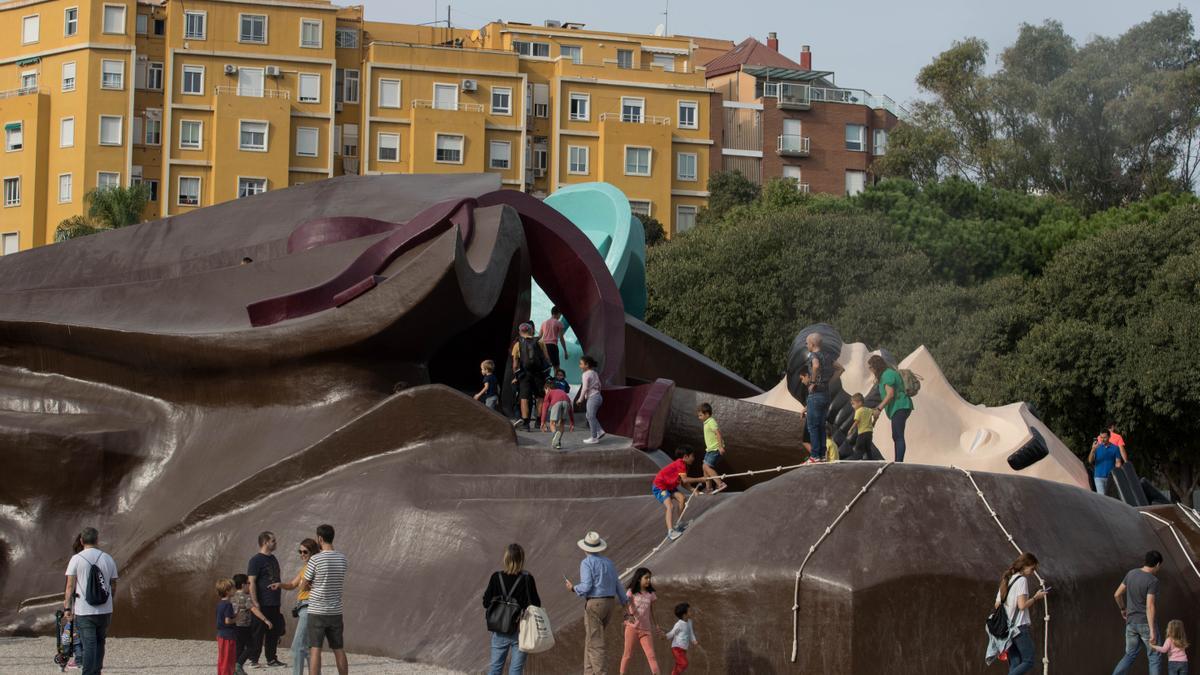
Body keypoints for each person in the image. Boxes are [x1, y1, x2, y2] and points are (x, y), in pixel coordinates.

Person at [565, 531, 627, 675]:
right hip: (610, 603)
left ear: (585, 548)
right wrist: (625, 601)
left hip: (595, 603)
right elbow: (617, 584)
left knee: (595, 644)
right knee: (591, 642)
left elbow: (586, 586)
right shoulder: (609, 562)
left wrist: (573, 588)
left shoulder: (586, 562)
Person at [63, 527, 118, 675]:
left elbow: (69, 586)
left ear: (81, 541)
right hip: (105, 610)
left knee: (89, 645)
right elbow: (113, 584)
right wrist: (108, 600)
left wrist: (67, 608)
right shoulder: (108, 558)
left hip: (84, 610)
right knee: (100, 642)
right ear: (97, 540)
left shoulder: (76, 559)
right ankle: (97, 672)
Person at [482, 543, 541, 675]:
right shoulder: (527, 579)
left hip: (499, 629)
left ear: (506, 558)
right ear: (522, 559)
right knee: (516, 670)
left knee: (495, 669)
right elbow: (536, 605)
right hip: (521, 629)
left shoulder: (496, 577)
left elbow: (486, 603)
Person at [302, 524, 349, 675]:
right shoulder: (342, 558)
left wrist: (311, 585)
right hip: (335, 610)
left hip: (317, 610)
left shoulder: (315, 559)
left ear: (320, 538)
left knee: (315, 649)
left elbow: (304, 585)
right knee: (339, 649)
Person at [1113, 550, 1165, 675]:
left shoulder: (1131, 573)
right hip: (1145, 624)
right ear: (1157, 564)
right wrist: (1152, 631)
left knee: (1130, 654)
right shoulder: (1153, 580)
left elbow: (1117, 594)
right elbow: (1150, 606)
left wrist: (1123, 609)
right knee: (1154, 657)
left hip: (1131, 624)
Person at [995, 552, 1047, 675]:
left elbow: (997, 604)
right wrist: (1036, 597)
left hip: (1006, 629)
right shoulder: (1022, 580)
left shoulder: (1007, 579)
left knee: (1016, 662)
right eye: (1032, 568)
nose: (1033, 572)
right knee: (1029, 660)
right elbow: (1022, 605)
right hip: (1018, 627)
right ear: (1024, 566)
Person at [275, 538, 320, 675]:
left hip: (309, 607)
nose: (302, 554)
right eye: (299, 551)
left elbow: (310, 586)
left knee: (297, 647)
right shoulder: (305, 568)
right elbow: (293, 585)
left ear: (313, 551)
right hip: (303, 608)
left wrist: (306, 584)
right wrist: (280, 585)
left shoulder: (315, 566)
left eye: (305, 551)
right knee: (307, 648)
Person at [247, 531, 286, 668]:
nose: (275, 543)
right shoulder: (255, 560)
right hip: (262, 602)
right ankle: (253, 660)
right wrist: (255, 601)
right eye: (273, 541)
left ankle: (271, 659)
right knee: (258, 632)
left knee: (273, 632)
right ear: (265, 542)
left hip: (274, 602)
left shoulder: (273, 558)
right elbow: (251, 582)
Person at [803, 333, 843, 463]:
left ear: (813, 344)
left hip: (816, 395)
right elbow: (840, 369)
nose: (806, 345)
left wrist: (813, 382)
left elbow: (815, 365)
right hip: (826, 394)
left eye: (807, 343)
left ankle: (815, 456)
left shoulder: (813, 355)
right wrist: (828, 383)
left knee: (813, 426)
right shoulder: (828, 356)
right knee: (821, 425)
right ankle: (821, 455)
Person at [867, 355, 914, 463]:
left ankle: (899, 461)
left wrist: (879, 409)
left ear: (875, 367)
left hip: (900, 406)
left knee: (898, 435)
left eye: (870, 367)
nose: (870, 370)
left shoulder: (887, 375)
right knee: (896, 435)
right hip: (900, 407)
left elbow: (890, 394)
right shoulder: (887, 374)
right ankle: (898, 460)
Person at [653, 447, 706, 540]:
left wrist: (693, 490)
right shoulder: (680, 463)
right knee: (670, 506)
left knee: (682, 498)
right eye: (692, 456)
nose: (693, 458)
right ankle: (670, 532)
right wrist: (700, 479)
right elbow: (685, 479)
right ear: (685, 456)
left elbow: (683, 482)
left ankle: (679, 523)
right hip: (660, 487)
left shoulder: (684, 466)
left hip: (670, 487)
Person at [620, 568, 661, 675]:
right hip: (632, 628)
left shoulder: (651, 594)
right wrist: (627, 615)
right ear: (639, 579)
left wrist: (657, 625)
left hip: (646, 630)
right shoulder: (631, 592)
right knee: (627, 655)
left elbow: (653, 611)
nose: (648, 580)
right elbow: (624, 605)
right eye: (646, 578)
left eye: (649, 578)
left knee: (651, 656)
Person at [511, 322, 551, 431]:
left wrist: (516, 375)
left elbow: (515, 365)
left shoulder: (517, 344)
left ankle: (526, 423)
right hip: (539, 374)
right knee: (540, 397)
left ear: (520, 332)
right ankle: (538, 421)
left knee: (524, 398)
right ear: (531, 331)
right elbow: (547, 359)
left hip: (525, 375)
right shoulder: (540, 341)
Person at [231, 573, 269, 675]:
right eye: (248, 583)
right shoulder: (246, 597)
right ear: (243, 585)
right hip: (244, 627)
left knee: (239, 647)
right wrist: (265, 620)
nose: (249, 585)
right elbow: (253, 609)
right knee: (251, 647)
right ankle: (238, 665)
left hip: (235, 626)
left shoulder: (232, 597)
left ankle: (235, 669)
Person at [696, 403, 728, 494]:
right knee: (704, 467)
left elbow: (718, 433)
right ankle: (709, 488)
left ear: (707, 414)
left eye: (701, 415)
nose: (699, 417)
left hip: (715, 449)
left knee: (707, 466)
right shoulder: (706, 422)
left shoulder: (711, 421)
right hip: (710, 450)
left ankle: (720, 484)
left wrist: (720, 446)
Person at [577, 355, 605, 444]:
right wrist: (597, 393)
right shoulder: (594, 373)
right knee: (589, 415)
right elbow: (600, 385)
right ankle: (600, 431)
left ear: (587, 365)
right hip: (598, 397)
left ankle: (594, 437)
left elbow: (584, 388)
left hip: (592, 397)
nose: (579, 366)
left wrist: (580, 399)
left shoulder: (585, 374)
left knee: (590, 416)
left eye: (581, 364)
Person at [540, 379, 574, 449]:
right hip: (566, 402)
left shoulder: (549, 392)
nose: (545, 393)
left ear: (547, 388)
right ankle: (557, 443)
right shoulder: (562, 392)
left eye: (545, 391)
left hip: (557, 403)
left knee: (552, 423)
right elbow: (570, 408)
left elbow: (544, 408)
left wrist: (542, 422)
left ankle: (555, 434)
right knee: (561, 423)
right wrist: (572, 423)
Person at [665, 602, 698, 675]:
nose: (691, 612)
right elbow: (671, 633)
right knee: (684, 664)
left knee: (679, 664)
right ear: (684, 615)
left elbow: (691, 632)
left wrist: (694, 640)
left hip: (684, 649)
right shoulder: (678, 624)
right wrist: (664, 636)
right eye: (689, 611)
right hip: (676, 648)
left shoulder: (690, 622)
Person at [1089, 430, 1125, 496]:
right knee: (1102, 497)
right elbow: (1090, 461)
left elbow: (1118, 463)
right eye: (1101, 437)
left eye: (1104, 437)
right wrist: (1093, 450)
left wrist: (1117, 474)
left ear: (1109, 437)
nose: (1103, 439)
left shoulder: (1115, 448)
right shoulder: (1097, 448)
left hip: (1110, 477)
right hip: (1098, 477)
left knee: (1109, 498)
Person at [217, 578, 238, 675]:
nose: (235, 590)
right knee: (228, 659)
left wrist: (235, 614)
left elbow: (221, 618)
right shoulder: (228, 604)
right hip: (228, 636)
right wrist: (236, 619)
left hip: (220, 635)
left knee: (222, 658)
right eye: (233, 588)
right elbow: (227, 621)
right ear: (227, 591)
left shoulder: (219, 604)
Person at [848, 393, 875, 461]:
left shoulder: (858, 411)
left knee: (859, 448)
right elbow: (875, 414)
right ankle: (871, 460)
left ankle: (856, 459)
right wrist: (874, 422)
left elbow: (856, 421)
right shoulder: (868, 409)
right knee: (868, 448)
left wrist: (851, 429)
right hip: (869, 432)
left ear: (859, 403)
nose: (852, 406)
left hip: (862, 433)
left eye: (853, 404)